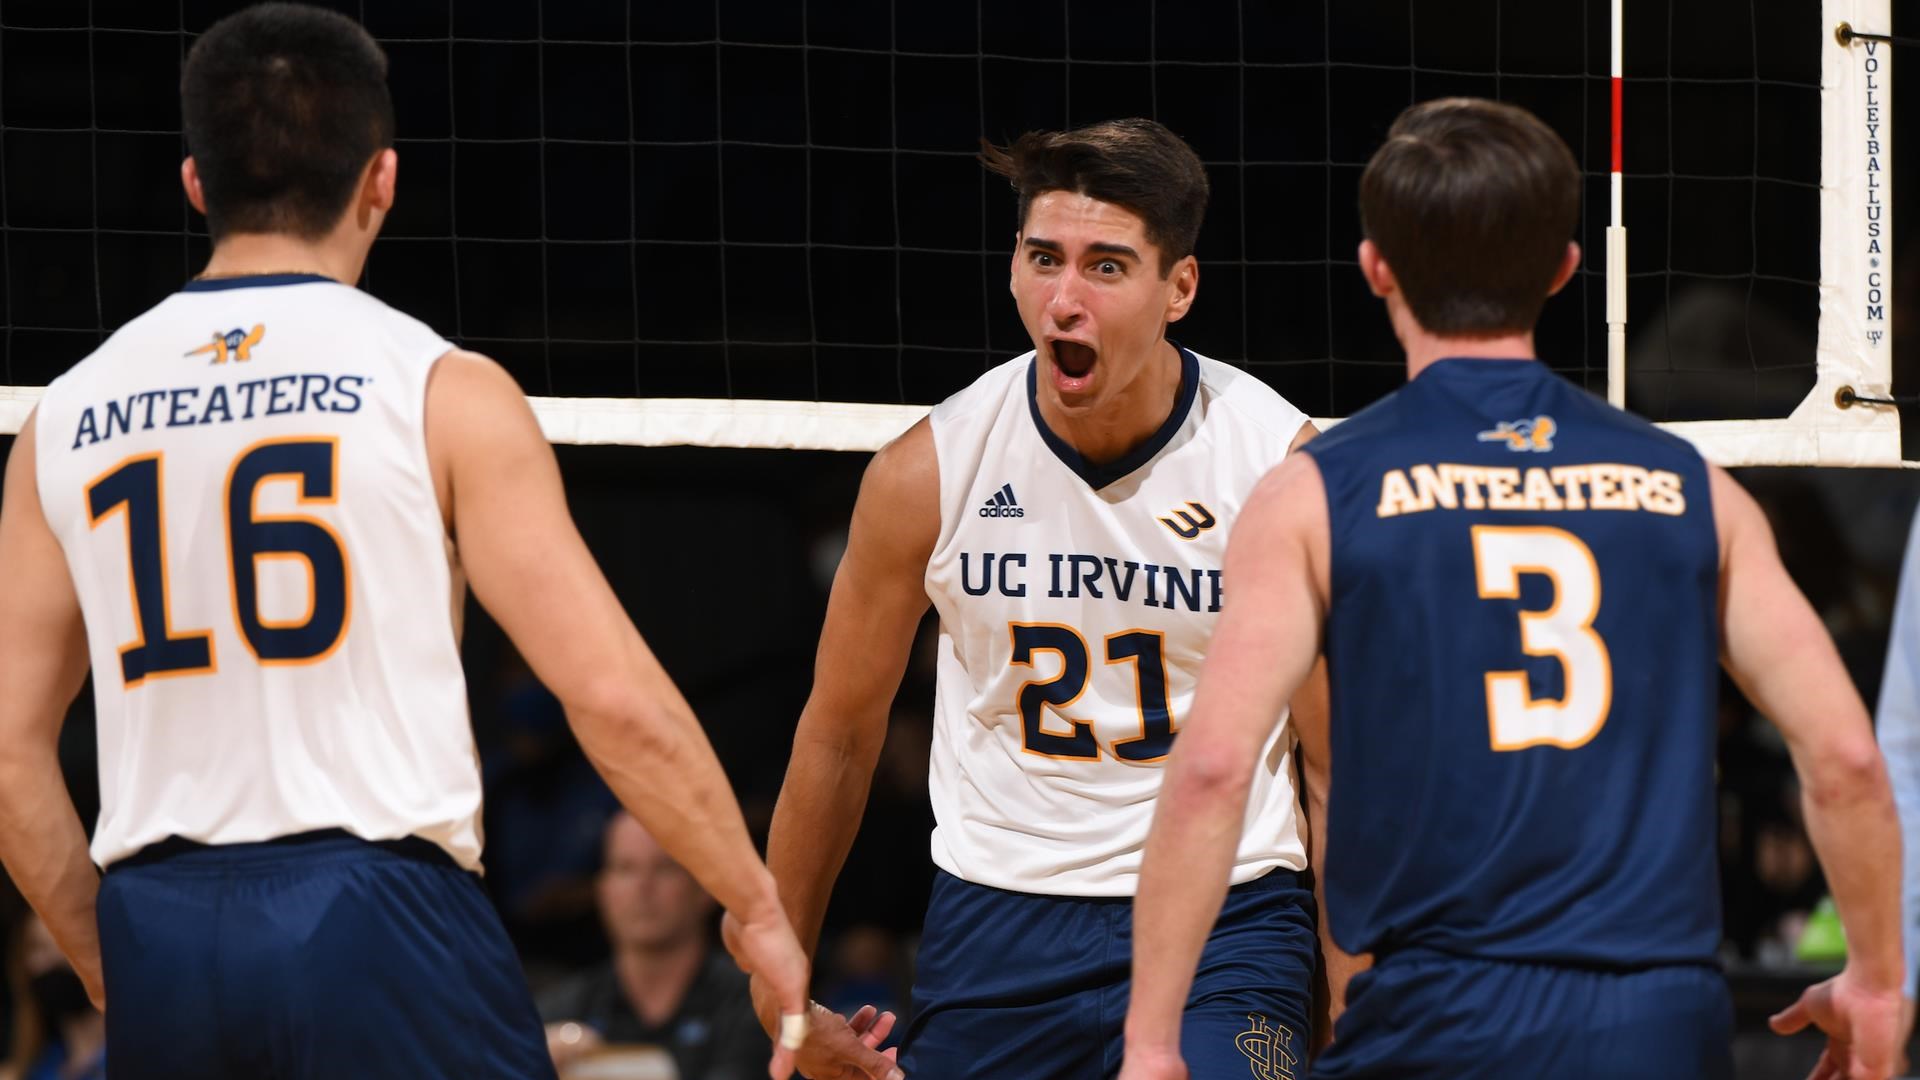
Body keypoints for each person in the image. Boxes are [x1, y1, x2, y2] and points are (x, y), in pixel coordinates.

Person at [0, 6, 810, 1078]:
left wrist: (108, 960)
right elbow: (612, 697)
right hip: (376, 913)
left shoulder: (63, 417)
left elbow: (8, 748)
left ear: (197, 183)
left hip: (163, 923)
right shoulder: (438, 388)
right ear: (380, 180)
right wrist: (754, 903)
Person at [1120, 96, 1904, 1080]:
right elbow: (1845, 759)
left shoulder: (1314, 492)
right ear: (1564, 269)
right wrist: (1877, 981)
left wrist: (1151, 1041)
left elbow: (1211, 771)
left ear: (1376, 268)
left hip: (1435, 1012)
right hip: (1656, 1020)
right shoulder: (1692, 489)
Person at [757, 117, 1323, 1079]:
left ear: (1180, 288)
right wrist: (781, 989)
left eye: (1106, 267)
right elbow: (839, 735)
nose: (1065, 299)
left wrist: (1356, 996)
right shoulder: (928, 473)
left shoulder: (1278, 467)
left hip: (1227, 916)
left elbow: (1332, 762)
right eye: (1043, 258)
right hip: (998, 921)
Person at [539, 812, 770, 1079]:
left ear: (704, 886)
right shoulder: (564, 1011)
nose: (643, 887)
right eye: (625, 869)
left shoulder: (752, 1005)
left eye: (664, 868)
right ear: (603, 889)